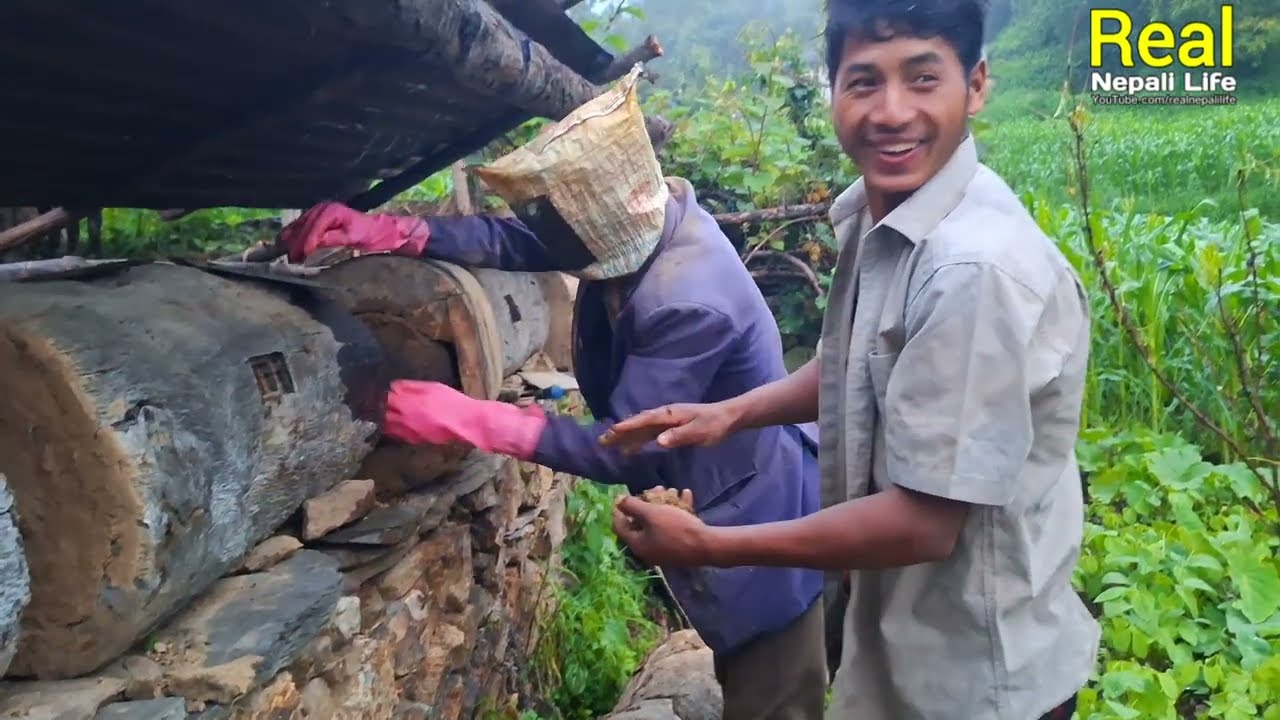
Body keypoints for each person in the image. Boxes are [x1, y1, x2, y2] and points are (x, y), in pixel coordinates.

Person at [598, 1, 1102, 719]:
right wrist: (727, 414)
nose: (891, 112)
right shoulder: (885, 210)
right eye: (865, 81)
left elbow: (924, 521)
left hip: (976, 680)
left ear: (976, 85)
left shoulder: (971, 272)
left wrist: (711, 545)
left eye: (923, 79)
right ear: (831, 88)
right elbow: (857, 360)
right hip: (902, 647)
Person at [275, 75, 828, 718]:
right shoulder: (648, 212)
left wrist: (474, 419)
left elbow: (625, 445)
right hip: (723, 490)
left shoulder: (686, 299)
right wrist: (393, 232)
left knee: (770, 686)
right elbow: (520, 240)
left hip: (753, 518)